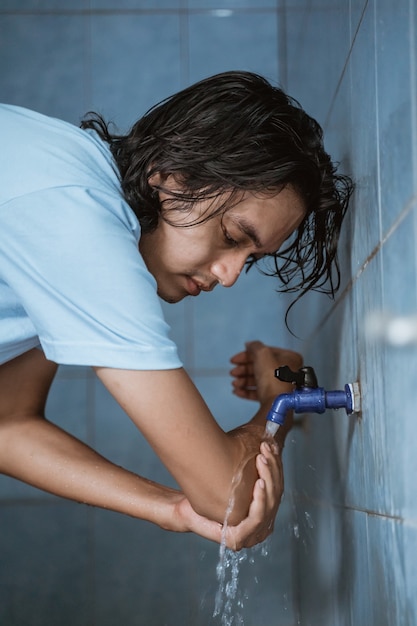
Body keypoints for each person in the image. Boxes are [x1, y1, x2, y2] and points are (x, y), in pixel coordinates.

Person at [0, 71, 352, 550]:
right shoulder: (80, 223)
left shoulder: (65, 181)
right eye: (232, 236)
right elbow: (227, 495)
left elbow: (9, 421)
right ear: (171, 173)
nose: (228, 275)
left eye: (249, 260)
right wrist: (277, 398)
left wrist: (171, 510)